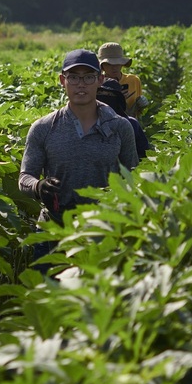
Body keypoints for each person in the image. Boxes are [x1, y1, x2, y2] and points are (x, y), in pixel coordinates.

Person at [19, 49, 139, 264]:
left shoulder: (120, 127)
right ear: (62, 81)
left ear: (100, 80)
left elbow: (132, 175)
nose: (81, 84)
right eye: (73, 77)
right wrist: (39, 187)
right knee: (50, 296)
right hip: (54, 231)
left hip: (104, 231)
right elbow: (25, 177)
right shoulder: (43, 128)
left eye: (88, 77)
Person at [96, 78, 152, 162]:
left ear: (117, 101)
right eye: (101, 94)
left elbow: (144, 153)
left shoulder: (131, 124)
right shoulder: (89, 123)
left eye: (110, 95)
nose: (106, 99)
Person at [97, 42, 149, 118]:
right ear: (102, 66)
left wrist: (142, 106)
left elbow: (139, 113)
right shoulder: (97, 83)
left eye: (117, 63)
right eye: (109, 64)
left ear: (122, 63)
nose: (114, 67)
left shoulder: (133, 80)